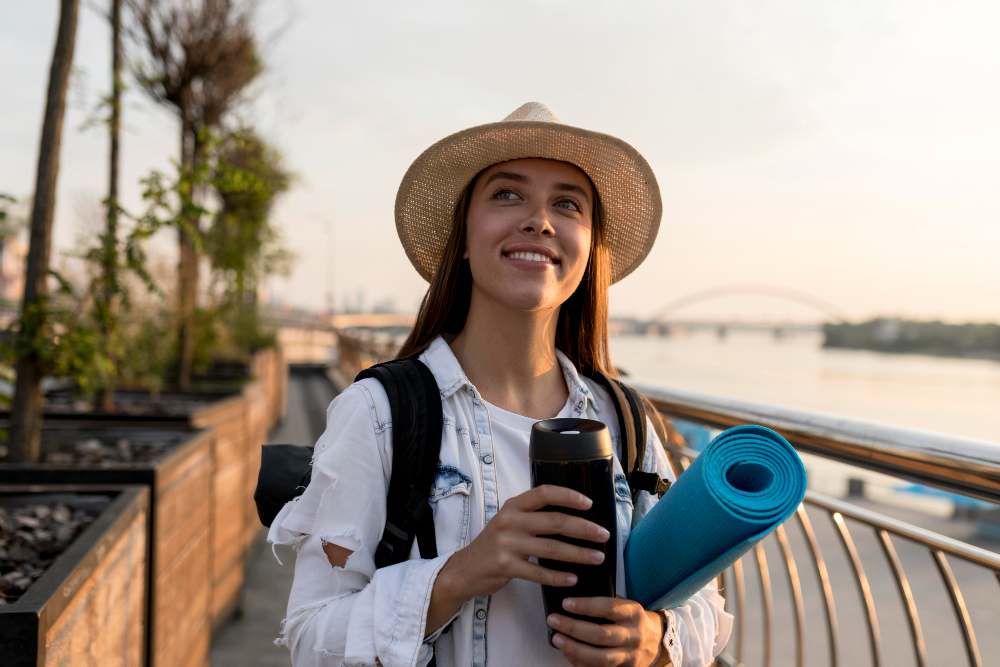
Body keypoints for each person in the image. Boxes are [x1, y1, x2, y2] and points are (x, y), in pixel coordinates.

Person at [269, 102, 734, 667]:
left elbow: (703, 604)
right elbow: (311, 637)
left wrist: (652, 641)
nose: (539, 220)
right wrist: (461, 573)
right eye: (507, 195)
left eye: (567, 203)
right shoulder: (379, 413)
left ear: (589, 251)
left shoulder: (626, 420)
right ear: (462, 238)